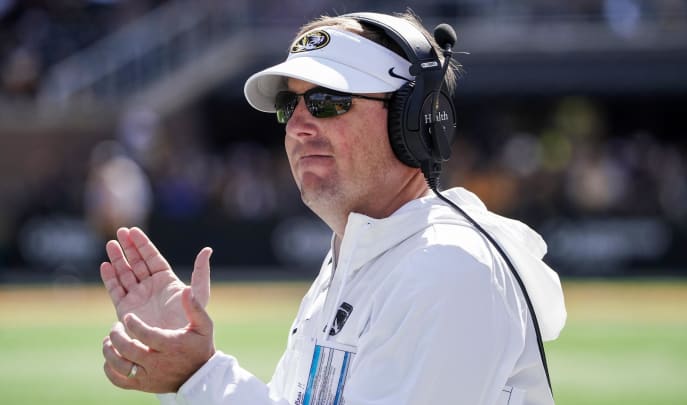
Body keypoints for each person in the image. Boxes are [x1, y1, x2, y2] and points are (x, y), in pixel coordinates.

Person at [100, 11, 566, 405]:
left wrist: (200, 378)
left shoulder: (446, 266)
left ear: (416, 119)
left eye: (327, 101)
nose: (298, 125)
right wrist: (192, 368)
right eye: (289, 105)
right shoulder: (360, 257)